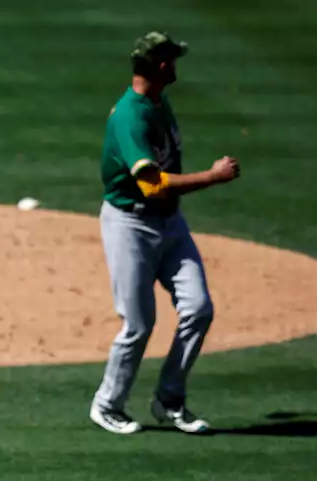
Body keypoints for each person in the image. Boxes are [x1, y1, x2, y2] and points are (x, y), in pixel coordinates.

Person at [89, 31, 241, 435]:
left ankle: (169, 400)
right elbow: (151, 184)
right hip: (131, 226)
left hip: (170, 223)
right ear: (159, 66)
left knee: (199, 309)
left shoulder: (155, 102)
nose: (176, 66)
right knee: (138, 324)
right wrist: (212, 176)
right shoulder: (132, 115)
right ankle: (107, 405)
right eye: (172, 60)